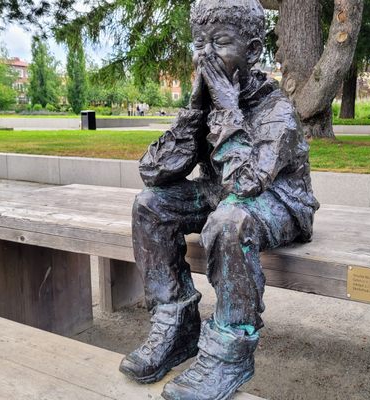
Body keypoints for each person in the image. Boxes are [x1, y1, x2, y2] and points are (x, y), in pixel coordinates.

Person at [119, 0, 319, 398]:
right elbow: (154, 171)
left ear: (254, 51)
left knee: (231, 220)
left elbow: (247, 183)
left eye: (221, 43)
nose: (206, 55)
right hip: (221, 194)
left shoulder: (276, 110)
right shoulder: (208, 104)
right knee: (150, 204)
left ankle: (230, 352)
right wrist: (196, 109)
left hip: (279, 201)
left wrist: (227, 107)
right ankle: (175, 322)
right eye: (199, 44)